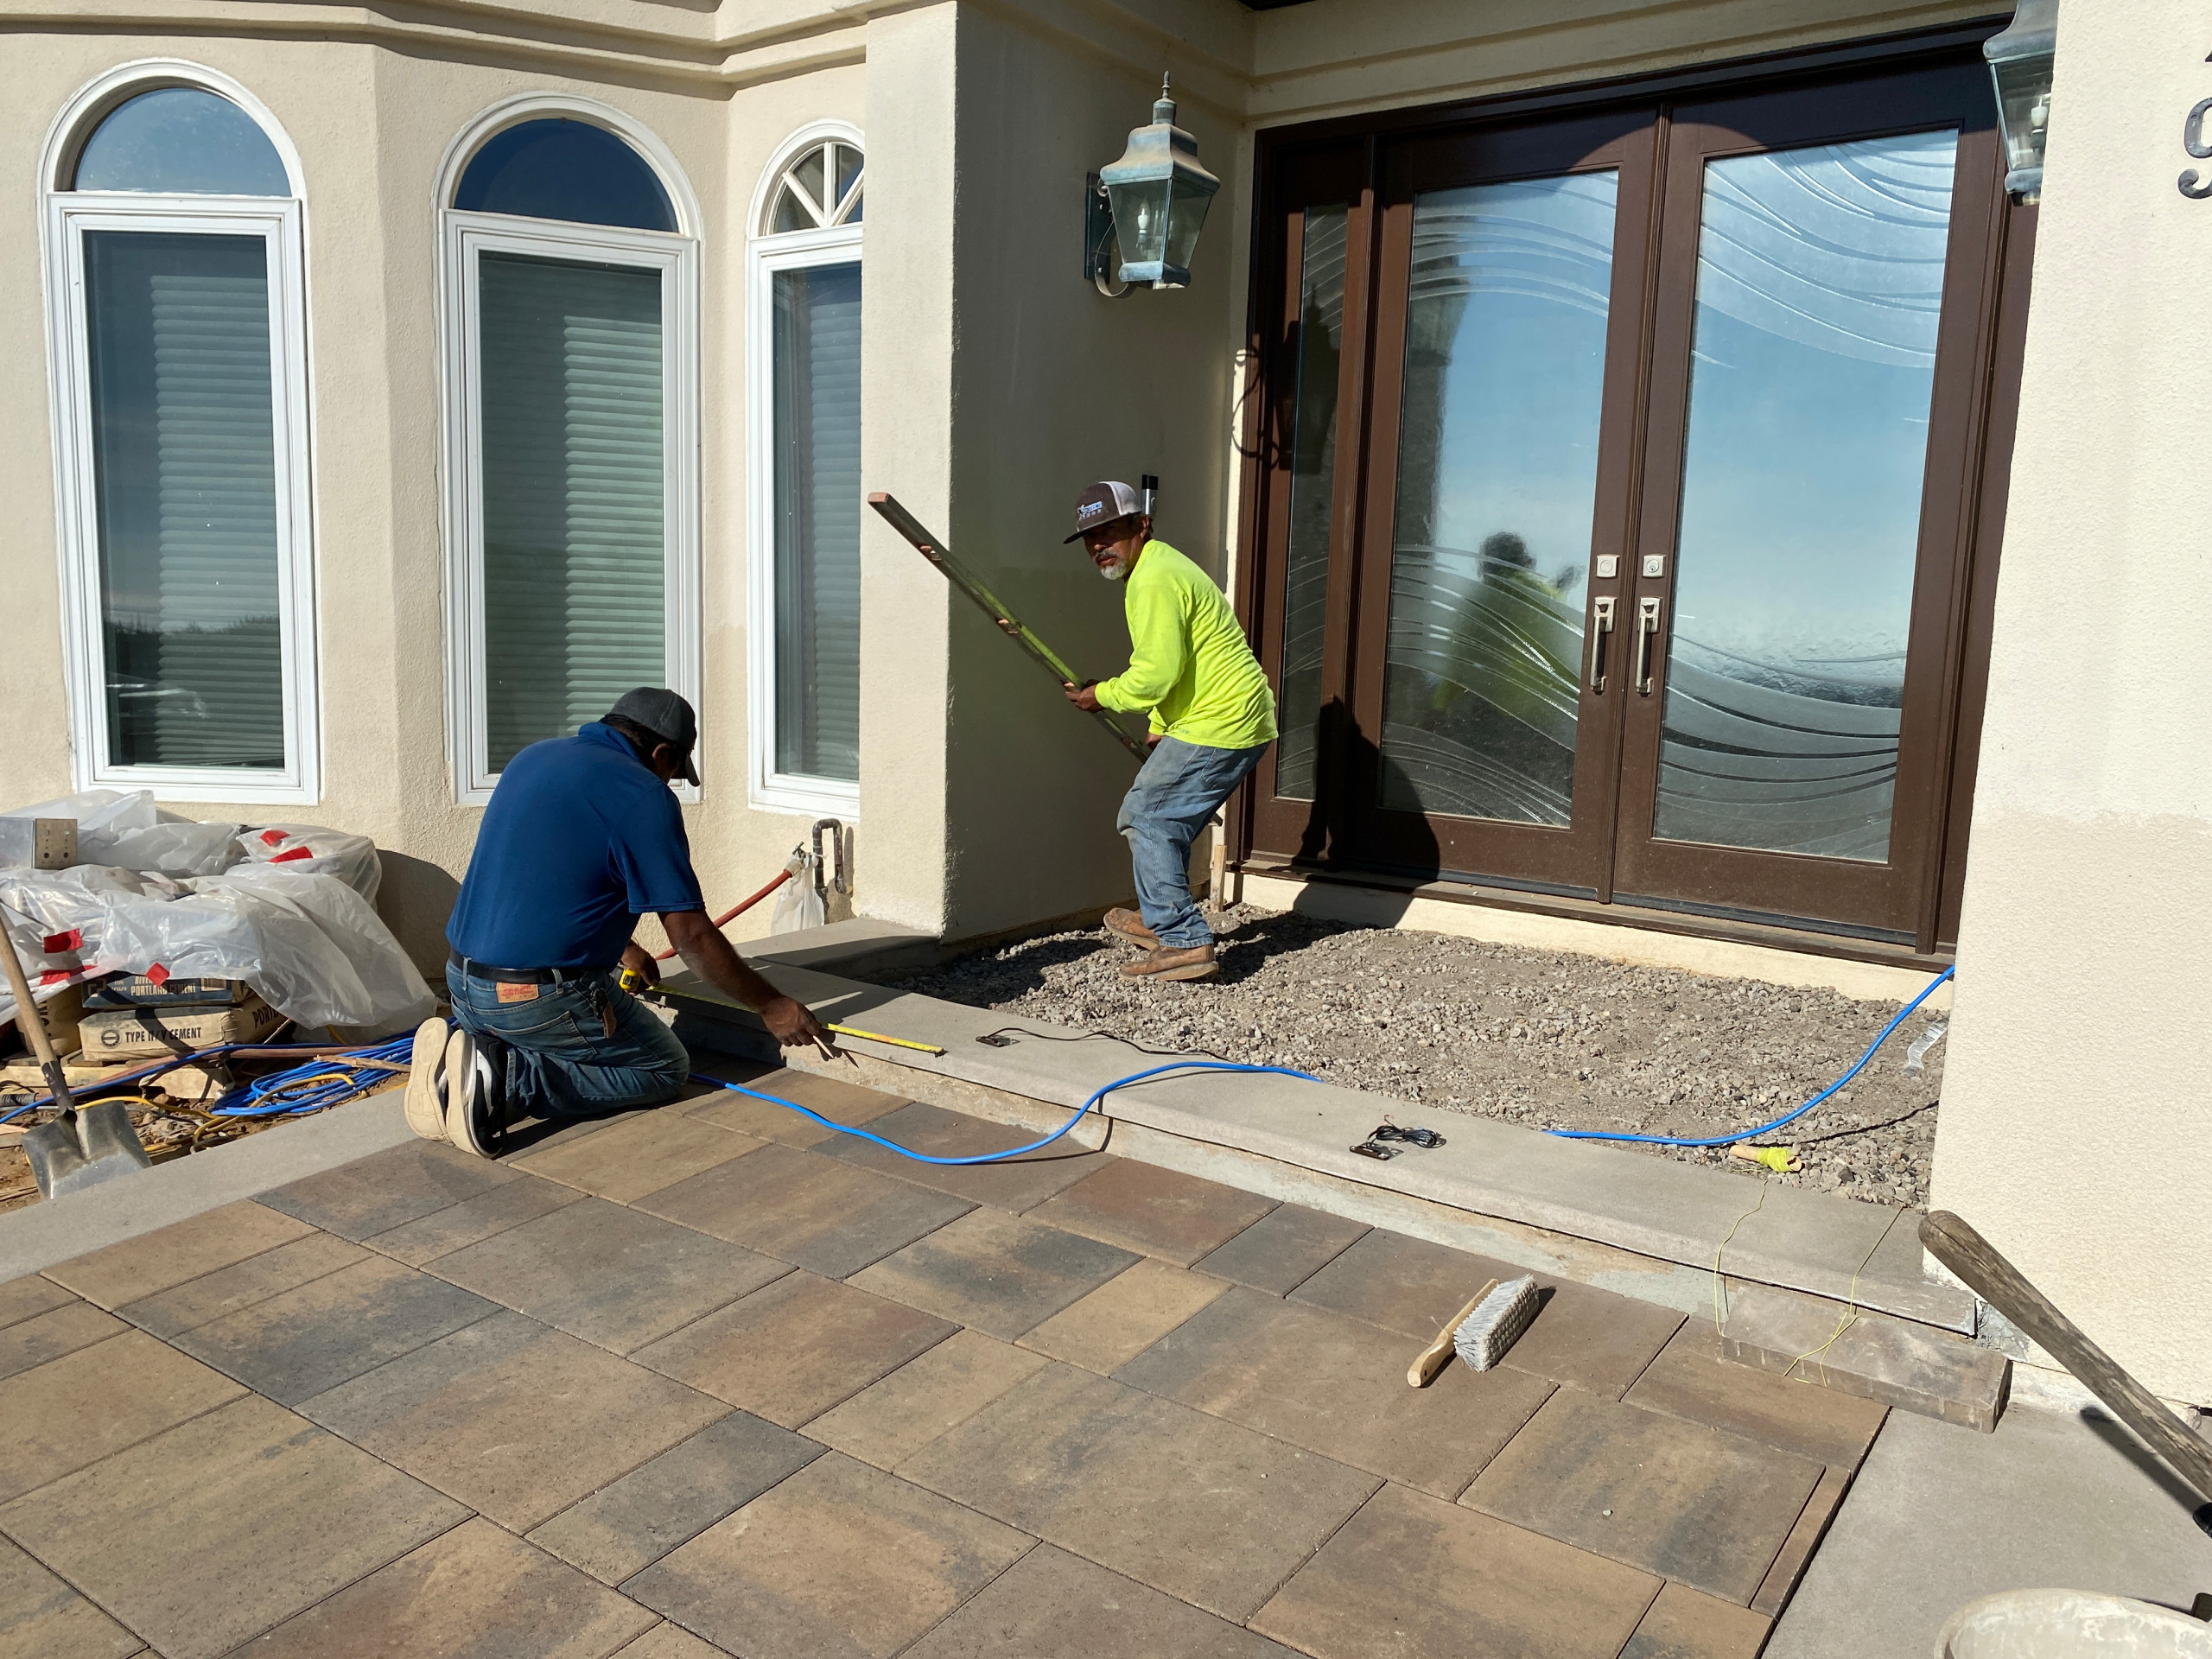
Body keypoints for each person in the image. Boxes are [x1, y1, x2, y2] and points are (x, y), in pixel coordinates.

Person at [405, 687, 830, 1156]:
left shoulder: (535, 757)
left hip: (463, 982)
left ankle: (463, 1056)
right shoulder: (642, 794)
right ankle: (504, 1082)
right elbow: (689, 933)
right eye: (673, 770)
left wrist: (622, 946)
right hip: (533, 998)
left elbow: (545, 874)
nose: (669, 782)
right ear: (662, 752)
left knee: (556, 1034)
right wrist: (771, 1006)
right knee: (662, 1069)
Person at [1063, 480, 1277, 982]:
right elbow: (1179, 666)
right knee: (1167, 822)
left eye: (1110, 531)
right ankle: (1164, 917)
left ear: (1142, 526)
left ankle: (1182, 939)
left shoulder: (1153, 580)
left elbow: (1156, 673)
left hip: (1220, 720)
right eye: (1091, 538)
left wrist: (1103, 695)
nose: (1100, 546)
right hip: (1228, 716)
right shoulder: (1157, 567)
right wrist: (1160, 724)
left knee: (1147, 818)